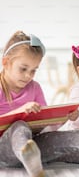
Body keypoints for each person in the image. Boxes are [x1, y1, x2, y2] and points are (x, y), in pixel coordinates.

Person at [0, 31, 48, 177]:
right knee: (20, 126)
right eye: (23, 69)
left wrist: (64, 117)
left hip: (31, 143)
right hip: (3, 150)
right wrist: (20, 112)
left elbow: (43, 123)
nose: (28, 75)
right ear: (6, 63)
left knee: (68, 137)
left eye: (34, 70)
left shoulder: (35, 87)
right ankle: (34, 167)